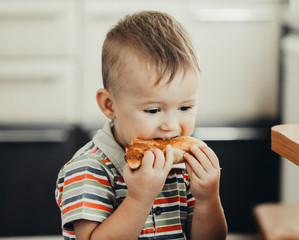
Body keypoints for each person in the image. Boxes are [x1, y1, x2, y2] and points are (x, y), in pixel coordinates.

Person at [55, 10, 227, 240]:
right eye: (153, 110)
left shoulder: (184, 170)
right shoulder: (88, 169)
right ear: (110, 105)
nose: (171, 126)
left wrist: (208, 198)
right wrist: (140, 198)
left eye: (185, 108)